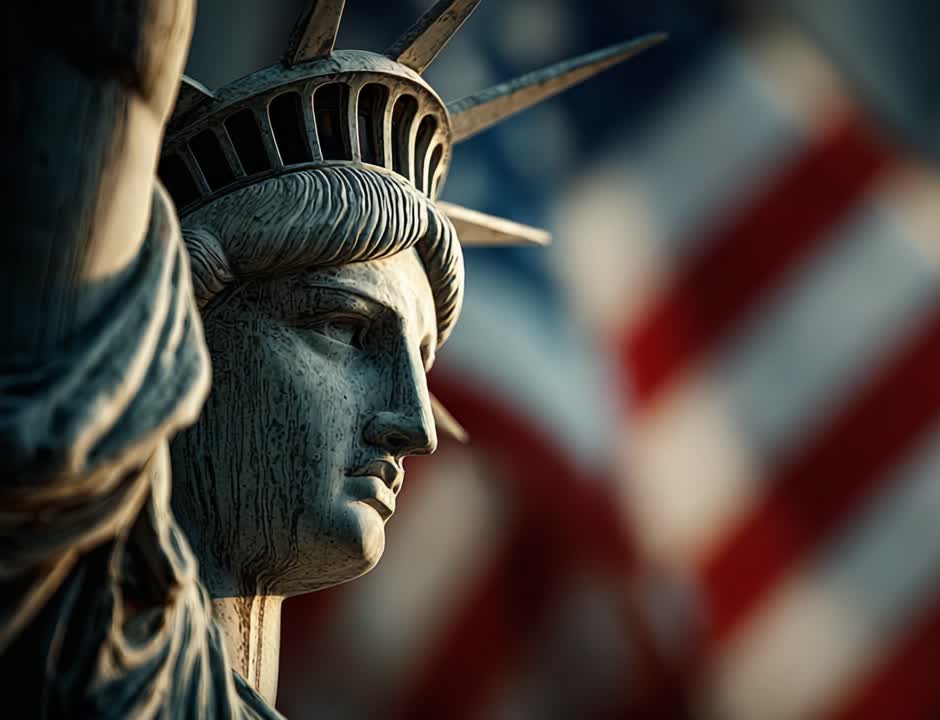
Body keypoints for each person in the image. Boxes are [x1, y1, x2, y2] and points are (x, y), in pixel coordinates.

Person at [0, 0, 658, 715]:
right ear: (168, 329)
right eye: (343, 329)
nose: (418, 425)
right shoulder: (63, 611)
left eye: (420, 358)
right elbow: (103, 58)